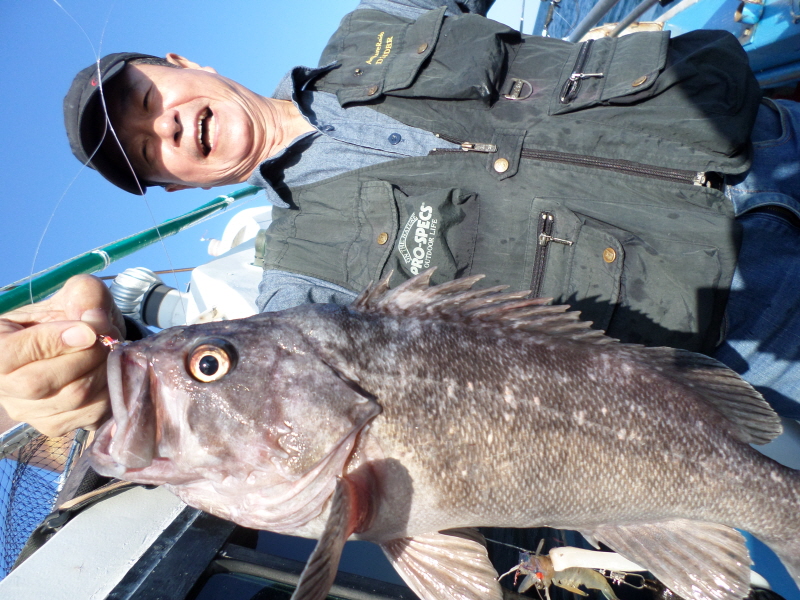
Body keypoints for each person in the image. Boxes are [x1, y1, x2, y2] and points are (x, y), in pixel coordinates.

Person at [1, 0, 799, 437]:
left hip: (769, 129)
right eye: (148, 154)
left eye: (149, 103)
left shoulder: (368, 26)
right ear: (174, 189)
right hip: (753, 323)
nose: (166, 128)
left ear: (186, 66)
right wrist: (114, 380)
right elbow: (265, 398)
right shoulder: (294, 288)